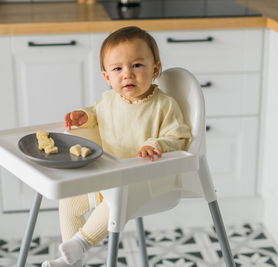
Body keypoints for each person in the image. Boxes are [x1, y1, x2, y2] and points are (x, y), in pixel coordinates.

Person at [42, 26, 192, 267]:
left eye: (137, 66)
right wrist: (84, 116)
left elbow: (179, 136)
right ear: (107, 76)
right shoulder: (108, 100)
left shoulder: (165, 105)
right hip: (107, 173)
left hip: (143, 180)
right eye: (118, 69)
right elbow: (96, 114)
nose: (127, 75)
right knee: (69, 200)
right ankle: (71, 261)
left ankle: (80, 244)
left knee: (115, 201)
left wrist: (155, 144)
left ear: (155, 69)